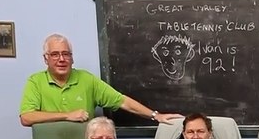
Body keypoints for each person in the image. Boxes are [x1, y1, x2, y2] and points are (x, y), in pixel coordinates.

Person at [18, 34, 182, 127]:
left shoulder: (86, 79)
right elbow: (27, 117)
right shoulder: (35, 82)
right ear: (46, 59)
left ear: (72, 59)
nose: (61, 59)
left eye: (66, 54)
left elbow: (122, 101)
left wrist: (156, 115)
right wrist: (67, 115)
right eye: (55, 54)